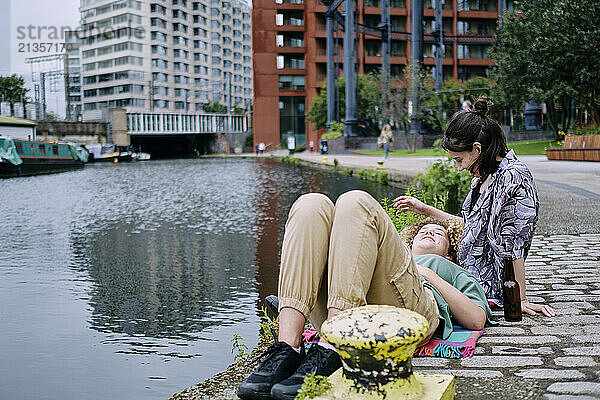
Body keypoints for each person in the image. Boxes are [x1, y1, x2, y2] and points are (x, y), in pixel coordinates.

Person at [237, 190, 494, 400]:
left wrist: (428, 273)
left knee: (355, 201)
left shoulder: (448, 268)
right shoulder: (385, 249)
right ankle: (287, 348)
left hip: (412, 310)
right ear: (409, 242)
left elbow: (476, 318)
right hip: (350, 297)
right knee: (310, 204)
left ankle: (333, 348)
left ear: (449, 253)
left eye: (439, 234)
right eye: (423, 231)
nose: (429, 232)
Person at [394, 97, 555, 317]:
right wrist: (425, 210)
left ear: (477, 149)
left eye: (459, 160)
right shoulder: (483, 177)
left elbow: (512, 243)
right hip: (467, 281)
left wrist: (520, 299)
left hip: (485, 290)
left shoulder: (512, 176)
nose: (459, 168)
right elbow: (472, 227)